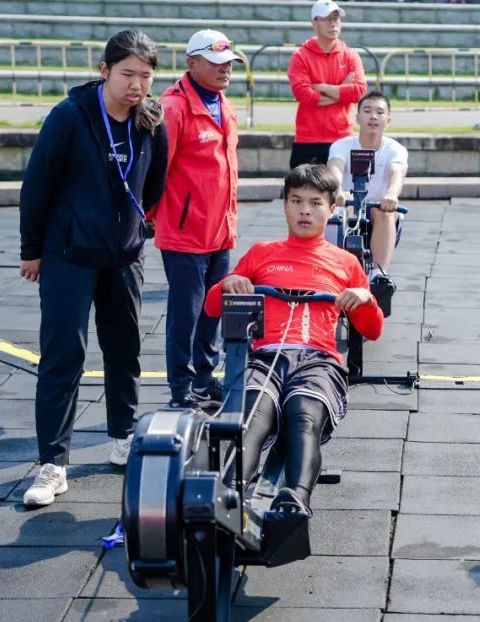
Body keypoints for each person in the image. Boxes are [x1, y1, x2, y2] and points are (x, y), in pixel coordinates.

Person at [19, 30, 168, 506]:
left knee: (124, 349)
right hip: (68, 255)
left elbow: (155, 183)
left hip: (123, 256)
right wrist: (32, 249)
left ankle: (123, 435)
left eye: (145, 76)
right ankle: (52, 464)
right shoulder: (70, 116)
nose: (137, 85)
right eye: (127, 74)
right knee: (63, 354)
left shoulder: (151, 120)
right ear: (105, 71)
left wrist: (135, 231)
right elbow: (37, 185)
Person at [203, 164, 384, 516]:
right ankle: (227, 497)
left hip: (318, 361)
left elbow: (373, 329)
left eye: (315, 203)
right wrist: (228, 284)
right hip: (265, 358)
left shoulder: (346, 263)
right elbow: (212, 307)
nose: (305, 210)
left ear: (331, 208)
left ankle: (296, 499)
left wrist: (365, 299)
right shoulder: (261, 252)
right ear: (285, 204)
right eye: (297, 201)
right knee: (254, 417)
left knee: (303, 417)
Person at [151, 29, 241, 410]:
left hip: (219, 230)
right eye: (217, 63)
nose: (225, 70)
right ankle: (182, 387)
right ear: (192, 63)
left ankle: (204, 379)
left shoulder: (224, 105)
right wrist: (151, 217)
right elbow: (155, 170)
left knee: (212, 310)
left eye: (229, 64)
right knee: (185, 315)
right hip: (185, 233)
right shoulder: (173, 108)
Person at [326, 91, 408, 286]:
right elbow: (335, 168)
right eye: (367, 111)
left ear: (388, 120)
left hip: (378, 210)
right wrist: (337, 190)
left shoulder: (396, 149)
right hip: (347, 206)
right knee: (335, 212)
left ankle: (378, 275)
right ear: (357, 118)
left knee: (384, 212)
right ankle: (331, 269)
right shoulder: (341, 146)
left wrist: (391, 194)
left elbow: (397, 172)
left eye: (380, 112)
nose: (373, 116)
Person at [287, 0, 368, 169]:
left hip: (342, 138)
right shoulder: (300, 56)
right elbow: (304, 94)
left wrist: (322, 87)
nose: (333, 23)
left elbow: (359, 91)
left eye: (336, 18)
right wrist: (342, 90)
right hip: (307, 139)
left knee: (342, 186)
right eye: (327, 19)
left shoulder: (350, 56)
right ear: (314, 23)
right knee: (302, 186)